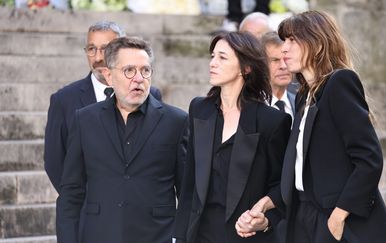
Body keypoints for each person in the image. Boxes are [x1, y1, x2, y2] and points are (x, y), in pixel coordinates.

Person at [236, 10, 386, 243]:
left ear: (317, 44)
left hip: (339, 221)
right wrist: (268, 202)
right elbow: (302, 168)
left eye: (292, 40)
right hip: (306, 219)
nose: (284, 49)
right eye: (285, 41)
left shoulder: (340, 83)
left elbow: (369, 159)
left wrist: (339, 215)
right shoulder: (304, 95)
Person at [56, 37, 188, 243]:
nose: (138, 78)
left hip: (157, 236)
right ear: (108, 76)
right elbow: (71, 193)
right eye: (129, 70)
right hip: (98, 235)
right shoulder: (85, 119)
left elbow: (186, 192)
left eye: (145, 70)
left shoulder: (177, 121)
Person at [173, 31, 291, 243]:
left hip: (246, 235)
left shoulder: (272, 121)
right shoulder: (199, 109)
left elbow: (282, 186)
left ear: (245, 68)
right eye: (212, 56)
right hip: (200, 234)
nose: (212, 63)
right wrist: (179, 236)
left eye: (222, 57)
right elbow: (190, 180)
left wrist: (265, 220)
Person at [44, 21, 161, 192]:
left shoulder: (151, 95)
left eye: (105, 49)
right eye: (91, 49)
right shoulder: (63, 100)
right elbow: (55, 162)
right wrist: (82, 204)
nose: (98, 58)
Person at [261, 31, 295, 119]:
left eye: (286, 59)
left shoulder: (300, 104)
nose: (283, 66)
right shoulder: (248, 106)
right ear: (261, 64)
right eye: (275, 60)